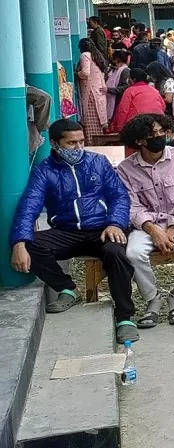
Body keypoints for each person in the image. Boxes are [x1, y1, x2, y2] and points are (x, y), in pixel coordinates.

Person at [10, 119, 137, 342]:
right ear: (55, 144)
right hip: (67, 230)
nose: (79, 147)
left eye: (81, 141)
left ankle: (125, 317)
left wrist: (116, 223)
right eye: (71, 143)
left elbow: (119, 196)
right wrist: (19, 242)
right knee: (30, 244)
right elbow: (29, 206)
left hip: (102, 228)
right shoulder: (44, 171)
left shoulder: (98, 162)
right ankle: (68, 289)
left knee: (116, 254)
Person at [117, 113, 174, 328]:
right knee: (133, 253)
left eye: (162, 131)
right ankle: (153, 298)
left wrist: (170, 231)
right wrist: (154, 231)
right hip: (146, 225)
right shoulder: (125, 168)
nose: (159, 137)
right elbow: (132, 206)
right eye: (152, 134)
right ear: (139, 140)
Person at [75, 38, 109, 143]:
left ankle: (92, 147)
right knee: (98, 125)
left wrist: (76, 74)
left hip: (90, 94)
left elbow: (85, 73)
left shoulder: (85, 55)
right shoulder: (96, 56)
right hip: (99, 93)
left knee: (91, 126)